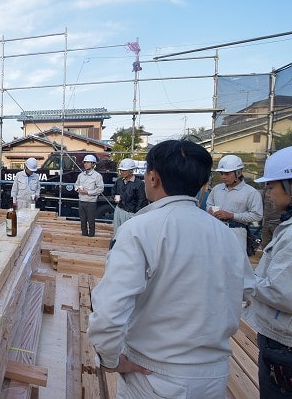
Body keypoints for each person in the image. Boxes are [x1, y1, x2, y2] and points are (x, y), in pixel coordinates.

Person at [88, 139, 255, 399]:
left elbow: (110, 310)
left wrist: (109, 358)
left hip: (153, 374)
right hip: (214, 375)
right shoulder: (225, 235)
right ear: (202, 184)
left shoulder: (139, 229)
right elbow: (246, 292)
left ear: (153, 178)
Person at [250, 146, 292, 398]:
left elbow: (281, 292)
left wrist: (244, 279)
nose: (268, 193)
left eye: (271, 186)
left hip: (284, 346)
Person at [206, 154, 263, 255]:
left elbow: (257, 215)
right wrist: (210, 209)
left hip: (237, 232)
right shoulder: (217, 189)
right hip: (216, 230)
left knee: (235, 262)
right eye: (221, 173)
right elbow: (209, 204)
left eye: (227, 174)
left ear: (239, 173)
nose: (223, 177)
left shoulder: (251, 192)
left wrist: (232, 215)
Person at [112, 158, 148, 233]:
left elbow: (142, 200)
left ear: (131, 170)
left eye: (124, 170)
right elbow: (114, 192)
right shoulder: (119, 181)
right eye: (121, 170)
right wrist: (115, 197)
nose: (122, 172)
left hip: (131, 213)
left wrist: (136, 214)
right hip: (119, 210)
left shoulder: (139, 184)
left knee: (128, 233)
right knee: (117, 232)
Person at [74, 154, 104, 237]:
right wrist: (77, 189)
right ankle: (84, 236)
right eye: (85, 162)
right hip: (81, 201)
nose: (85, 164)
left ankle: (91, 237)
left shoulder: (97, 176)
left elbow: (100, 189)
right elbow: (76, 184)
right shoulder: (81, 175)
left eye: (88, 162)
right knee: (83, 221)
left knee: (91, 221)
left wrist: (88, 192)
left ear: (93, 164)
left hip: (91, 202)